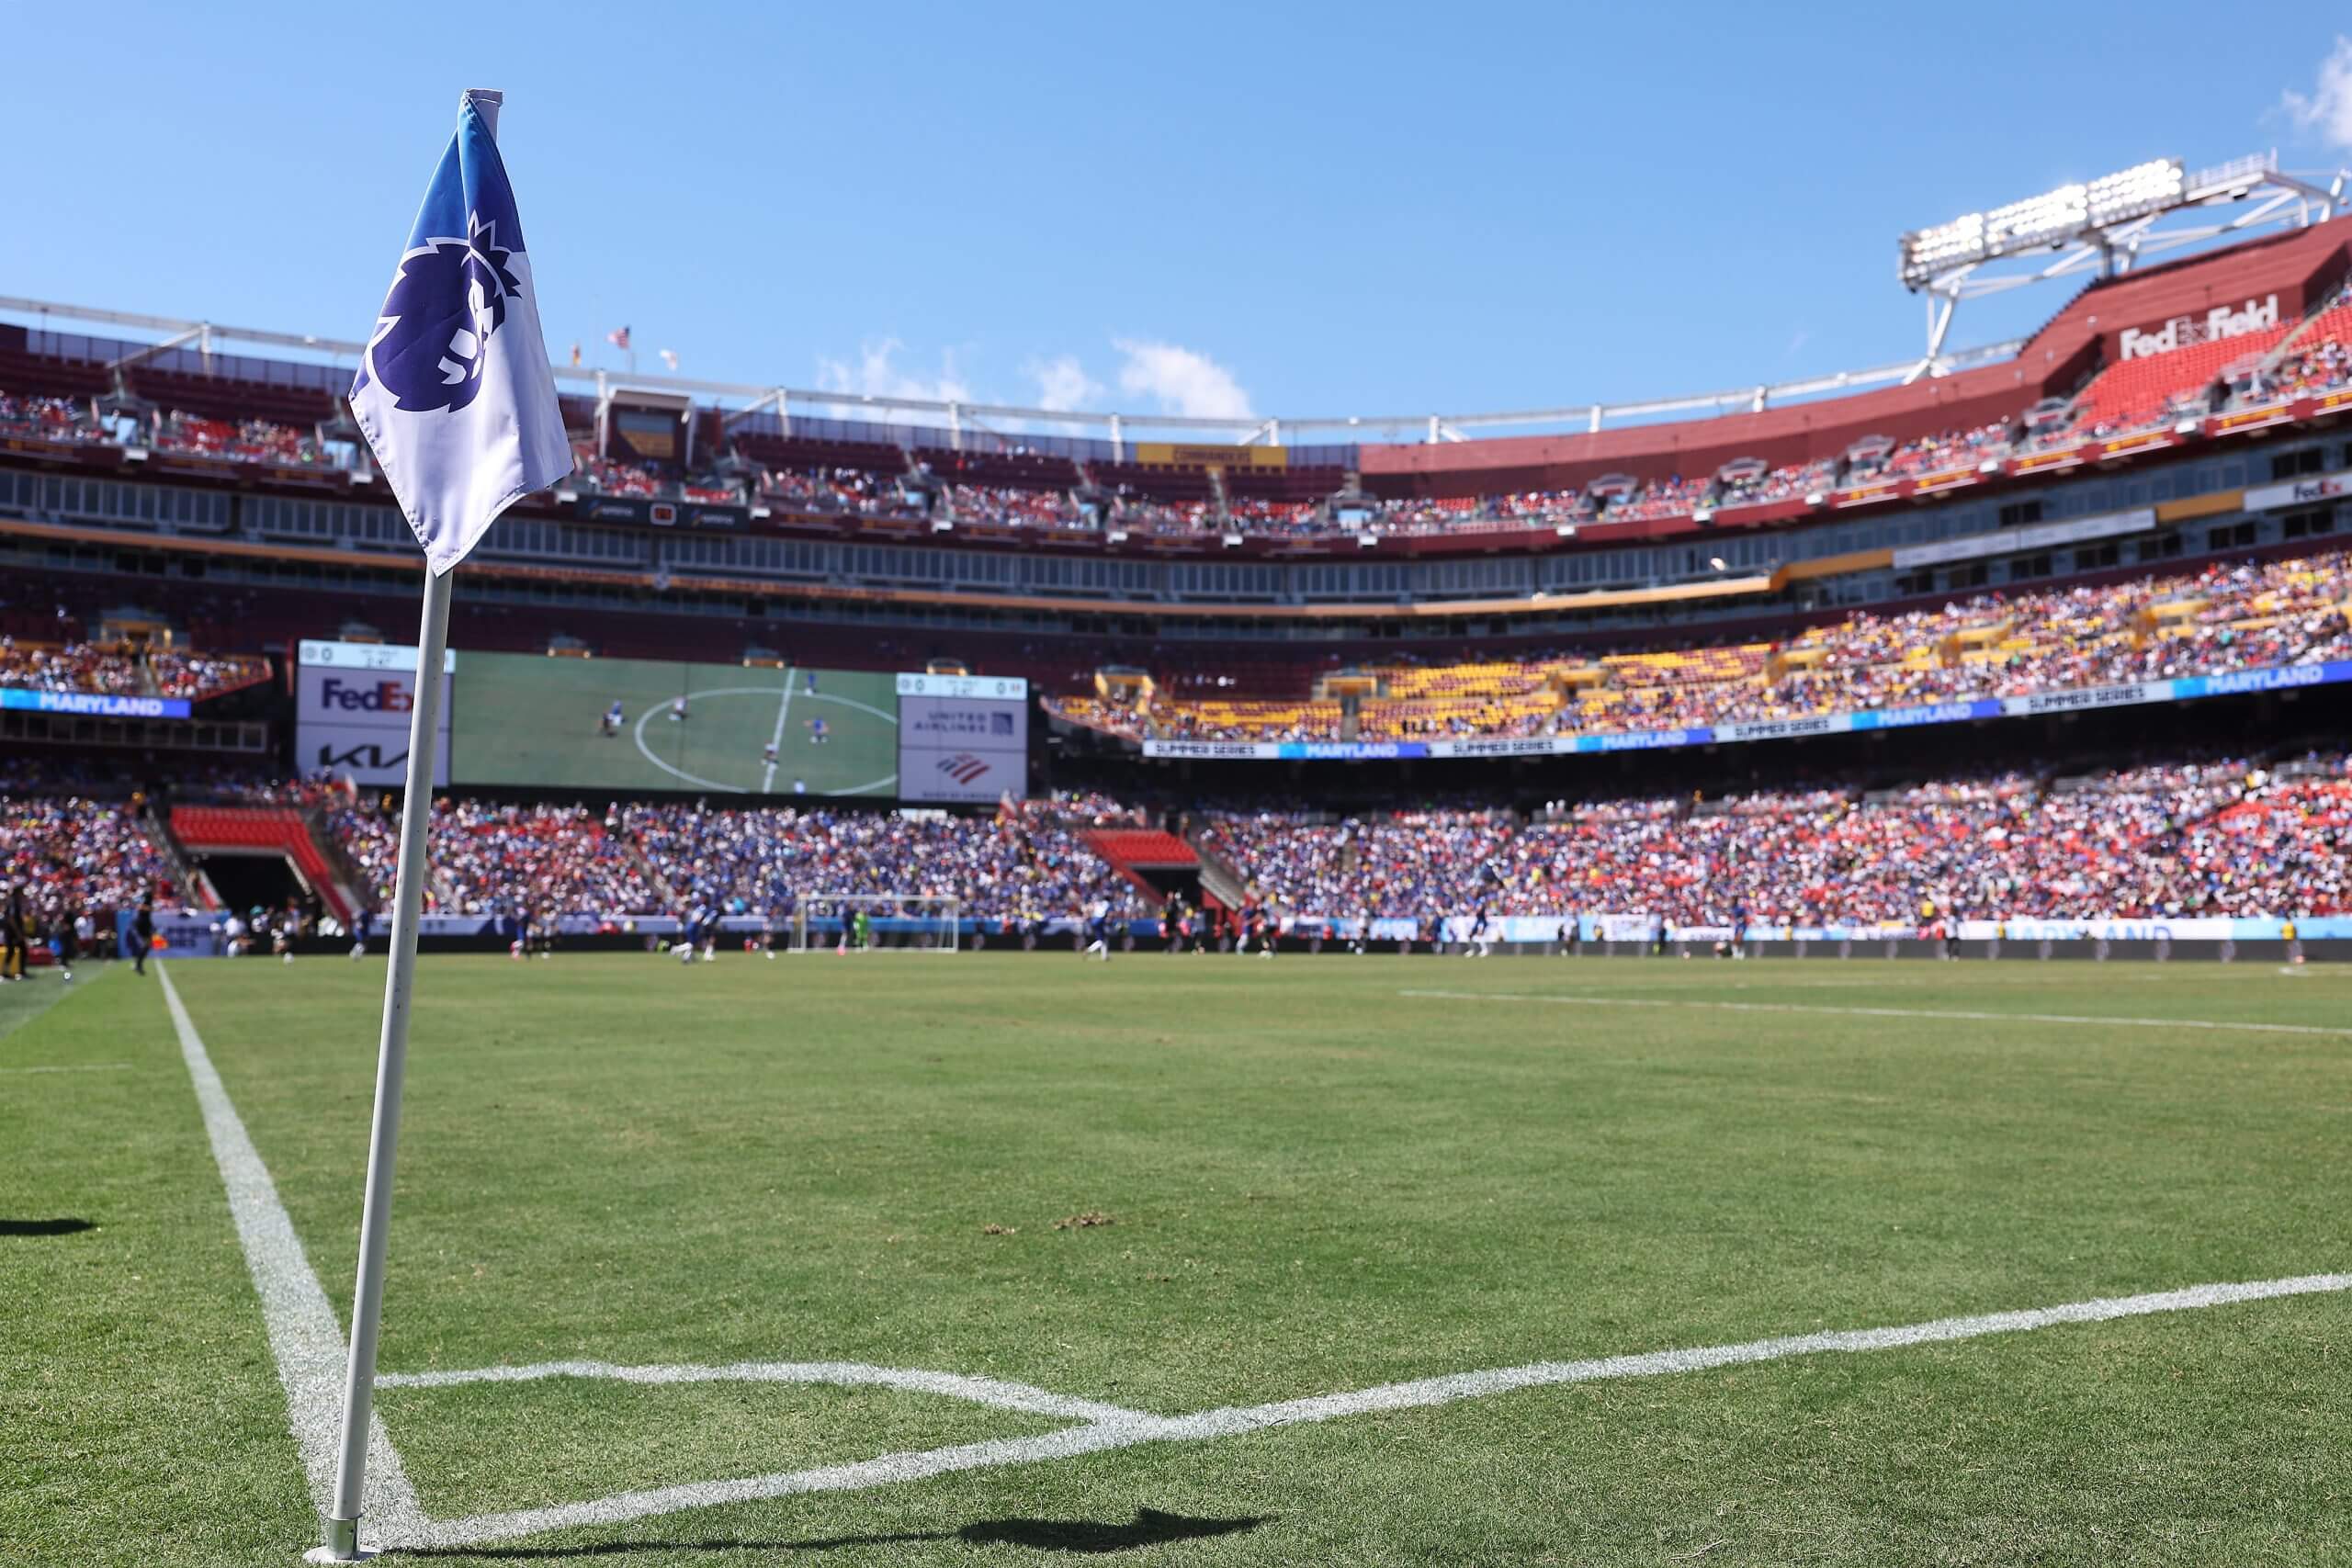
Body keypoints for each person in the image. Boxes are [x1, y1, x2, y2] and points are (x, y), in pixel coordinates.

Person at [0, 881, 25, 982]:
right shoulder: (13, 902)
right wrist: (18, 932)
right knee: (11, 951)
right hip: (11, 932)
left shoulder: (14, 901)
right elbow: (11, 918)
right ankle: (6, 973)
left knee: (22, 950)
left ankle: (19, 971)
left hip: (13, 931)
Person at [132, 897, 155, 976]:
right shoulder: (147, 896)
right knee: (146, 945)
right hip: (142, 926)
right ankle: (138, 965)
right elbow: (140, 906)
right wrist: (149, 908)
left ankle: (138, 964)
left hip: (145, 926)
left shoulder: (148, 898)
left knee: (146, 946)